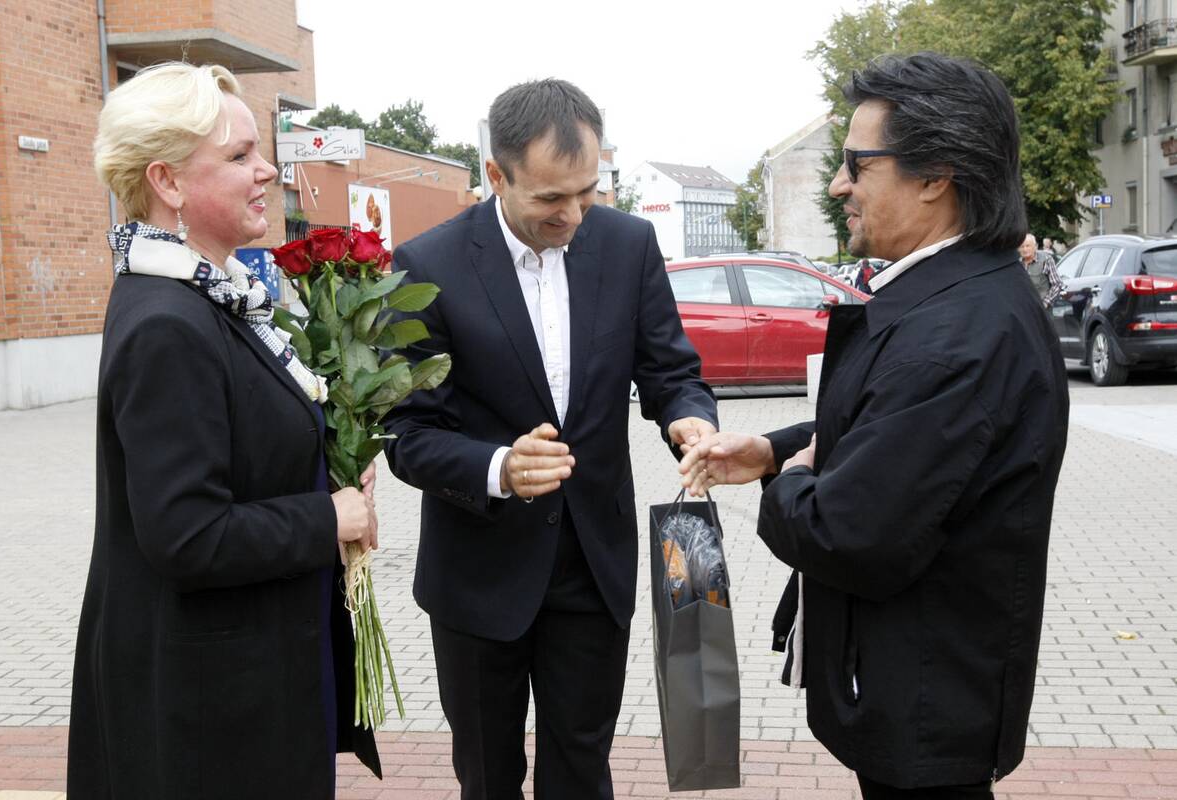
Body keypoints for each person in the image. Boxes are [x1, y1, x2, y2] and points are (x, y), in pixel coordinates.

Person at [678, 53, 1068, 798]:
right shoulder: (952, 298)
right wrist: (773, 450)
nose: (838, 185)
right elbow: (887, 423)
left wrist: (790, 483)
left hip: (925, 703)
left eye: (857, 164)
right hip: (923, 686)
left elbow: (845, 533)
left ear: (935, 176)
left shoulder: (955, 334)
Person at [382, 78, 718, 799]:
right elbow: (407, 432)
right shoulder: (427, 265)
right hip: (478, 571)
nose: (572, 214)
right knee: (488, 775)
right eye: (549, 198)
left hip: (593, 566)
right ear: (496, 174)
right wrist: (499, 467)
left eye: (587, 191)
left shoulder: (628, 245)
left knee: (581, 769)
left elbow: (671, 371)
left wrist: (688, 417)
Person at [68, 62, 381, 799]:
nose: (267, 170)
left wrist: (325, 469)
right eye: (240, 156)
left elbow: (236, 449)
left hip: (237, 683)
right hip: (209, 713)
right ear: (168, 182)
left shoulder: (207, 297)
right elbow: (186, 535)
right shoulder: (169, 324)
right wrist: (328, 517)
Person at [1019, 232, 1064, 307]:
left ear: (1035, 246)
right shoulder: (1017, 264)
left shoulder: (1046, 259)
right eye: (1022, 246)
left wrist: (1045, 302)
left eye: (1028, 246)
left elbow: (1057, 284)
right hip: (1023, 308)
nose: (1025, 249)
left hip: (1041, 309)